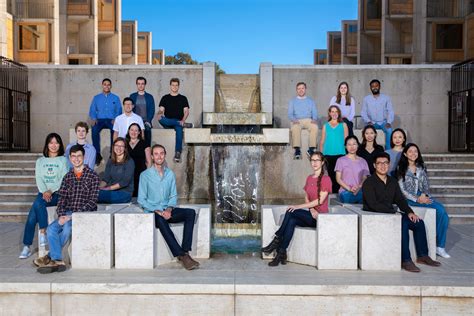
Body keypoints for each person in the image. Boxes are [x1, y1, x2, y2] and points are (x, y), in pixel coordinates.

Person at [362, 152, 441, 272]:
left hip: (391, 214)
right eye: (379, 163)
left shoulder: (392, 181)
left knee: (418, 222)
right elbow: (373, 204)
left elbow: (400, 199)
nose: (383, 166)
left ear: (389, 165)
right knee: (403, 224)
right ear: (374, 165)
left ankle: (422, 255)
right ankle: (406, 260)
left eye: (386, 163)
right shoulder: (369, 182)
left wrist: (409, 212)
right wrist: (394, 212)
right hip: (376, 216)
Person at [34, 145, 100, 274]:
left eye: (79, 156)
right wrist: (62, 215)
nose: (76, 159)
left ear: (84, 157)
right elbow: (62, 199)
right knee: (51, 229)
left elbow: (92, 201)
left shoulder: (93, 176)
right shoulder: (67, 177)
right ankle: (58, 260)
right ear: (70, 158)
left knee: (67, 228)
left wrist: (73, 216)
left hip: (84, 214)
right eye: (73, 156)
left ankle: (50, 258)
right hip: (67, 213)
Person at [261, 151, 332, 266]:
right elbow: (306, 196)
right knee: (292, 220)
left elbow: (320, 200)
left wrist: (299, 206)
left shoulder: (326, 179)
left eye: (317, 160)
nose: (314, 163)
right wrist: (311, 209)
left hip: (320, 218)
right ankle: (281, 253)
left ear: (322, 162)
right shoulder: (309, 178)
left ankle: (277, 240)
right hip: (311, 214)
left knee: (291, 211)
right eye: (312, 160)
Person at [138, 144, 199, 270]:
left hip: (167, 209)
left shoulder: (170, 174)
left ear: (165, 155)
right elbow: (141, 199)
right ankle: (182, 256)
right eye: (156, 154)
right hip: (153, 211)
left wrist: (169, 209)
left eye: (161, 153)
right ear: (152, 157)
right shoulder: (145, 175)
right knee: (160, 219)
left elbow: (173, 196)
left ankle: (185, 250)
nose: (159, 156)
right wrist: (159, 211)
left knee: (191, 213)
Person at [396, 143, 450, 259]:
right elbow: (402, 190)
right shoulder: (400, 168)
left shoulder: (421, 167)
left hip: (422, 196)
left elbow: (426, 184)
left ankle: (440, 247)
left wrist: (424, 196)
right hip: (408, 199)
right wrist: (416, 198)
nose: (413, 153)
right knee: (440, 211)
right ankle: (437, 244)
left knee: (443, 213)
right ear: (405, 154)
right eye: (410, 151)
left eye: (415, 151)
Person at [19, 133, 68, 259]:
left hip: (58, 194)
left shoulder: (63, 160)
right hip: (43, 193)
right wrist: (44, 191)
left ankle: (29, 244)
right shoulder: (40, 161)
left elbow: (63, 179)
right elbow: (39, 178)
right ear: (47, 145)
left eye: (56, 142)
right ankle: (41, 234)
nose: (53, 145)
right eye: (51, 142)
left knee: (35, 208)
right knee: (36, 208)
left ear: (60, 145)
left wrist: (50, 191)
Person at [157, 78, 193, 163]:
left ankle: (178, 152)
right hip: (167, 122)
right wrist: (159, 113)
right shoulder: (165, 97)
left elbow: (186, 111)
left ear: (178, 86)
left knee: (179, 128)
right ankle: (181, 124)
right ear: (170, 86)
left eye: (176, 85)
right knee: (161, 118)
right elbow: (161, 110)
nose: (174, 87)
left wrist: (183, 120)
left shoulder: (183, 98)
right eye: (173, 85)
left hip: (179, 122)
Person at [88, 78, 122, 165]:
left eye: (108, 84)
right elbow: (92, 109)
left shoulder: (116, 98)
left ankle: (112, 153)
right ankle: (98, 154)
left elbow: (119, 110)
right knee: (94, 130)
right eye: (105, 84)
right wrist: (94, 118)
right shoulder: (96, 98)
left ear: (111, 86)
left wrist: (116, 119)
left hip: (111, 120)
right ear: (102, 85)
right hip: (100, 120)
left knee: (115, 131)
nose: (106, 86)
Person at [320, 105, 348, 193]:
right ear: (329, 113)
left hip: (340, 154)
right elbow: (322, 142)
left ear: (339, 113)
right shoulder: (326, 126)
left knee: (340, 177)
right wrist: (321, 157)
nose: (334, 113)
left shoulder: (343, 125)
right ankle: (334, 197)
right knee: (331, 176)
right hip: (328, 154)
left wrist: (347, 155)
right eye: (332, 111)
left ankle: (340, 195)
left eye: (336, 111)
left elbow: (346, 140)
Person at [97, 137, 134, 204]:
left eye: (121, 146)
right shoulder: (111, 160)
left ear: (125, 148)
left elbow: (124, 182)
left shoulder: (129, 162)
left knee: (96, 196)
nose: (119, 148)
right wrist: (99, 188)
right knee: (93, 193)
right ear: (113, 147)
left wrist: (106, 189)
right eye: (116, 145)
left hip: (124, 193)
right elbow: (106, 179)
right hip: (112, 191)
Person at [288, 82, 319, 159]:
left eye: (302, 88)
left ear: (305, 89)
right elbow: (290, 113)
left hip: (308, 120)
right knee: (295, 128)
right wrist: (293, 119)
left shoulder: (310, 101)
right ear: (296, 90)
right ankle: (297, 150)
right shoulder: (292, 101)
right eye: (299, 89)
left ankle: (311, 149)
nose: (301, 90)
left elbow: (314, 112)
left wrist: (314, 119)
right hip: (297, 120)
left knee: (314, 127)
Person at [361, 79, 394, 149]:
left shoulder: (386, 98)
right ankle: (368, 149)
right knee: (366, 132)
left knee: (389, 130)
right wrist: (368, 121)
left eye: (376, 86)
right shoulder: (366, 99)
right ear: (370, 88)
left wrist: (389, 122)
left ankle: (388, 151)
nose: (374, 87)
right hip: (371, 122)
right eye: (372, 86)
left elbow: (390, 111)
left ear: (379, 87)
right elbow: (363, 112)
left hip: (383, 122)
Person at [335, 136, 370, 203]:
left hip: (360, 191)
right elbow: (338, 179)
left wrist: (359, 187)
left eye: (354, 144)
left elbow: (365, 177)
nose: (352, 147)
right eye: (349, 144)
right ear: (345, 146)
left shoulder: (363, 161)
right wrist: (349, 188)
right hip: (345, 191)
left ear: (357, 145)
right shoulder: (340, 160)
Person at [126, 123, 152, 197]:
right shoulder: (124, 143)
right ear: (128, 131)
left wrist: (147, 175)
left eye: (136, 130)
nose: (134, 132)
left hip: (140, 174)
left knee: (139, 196)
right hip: (127, 175)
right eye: (132, 130)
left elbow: (149, 161)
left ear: (139, 132)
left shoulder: (145, 143)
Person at [130, 76, 156, 147]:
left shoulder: (149, 97)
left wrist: (148, 120)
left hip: (146, 121)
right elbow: (130, 109)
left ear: (145, 85)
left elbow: (152, 110)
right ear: (137, 85)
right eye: (139, 84)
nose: (140, 85)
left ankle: (147, 150)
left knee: (147, 130)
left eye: (142, 84)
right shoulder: (132, 96)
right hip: (135, 121)